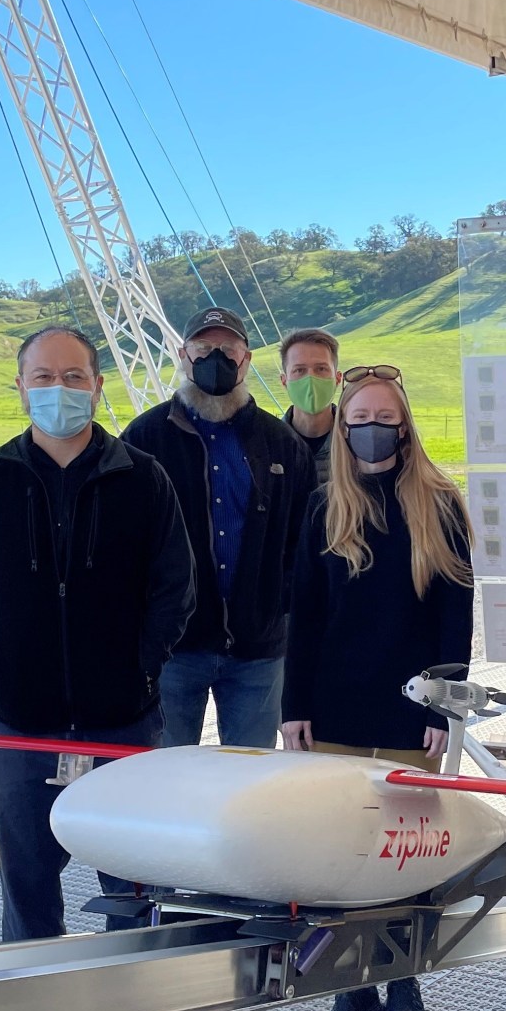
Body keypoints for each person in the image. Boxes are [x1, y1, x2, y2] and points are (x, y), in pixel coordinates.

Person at [0, 325, 195, 1011]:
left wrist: (136, 668)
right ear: (19, 387)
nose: (60, 388)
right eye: (43, 376)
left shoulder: (142, 479)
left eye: (74, 375)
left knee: (130, 881)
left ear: (98, 384)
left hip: (121, 721)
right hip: (22, 725)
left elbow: (172, 590)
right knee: (28, 880)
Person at [281, 364, 474, 1011]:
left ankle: (403, 985)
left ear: (404, 421)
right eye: (358, 416)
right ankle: (350, 991)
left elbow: (455, 615)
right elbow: (303, 616)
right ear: (343, 424)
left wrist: (443, 706)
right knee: (338, 855)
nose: (370, 427)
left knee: (398, 857)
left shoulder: (438, 503)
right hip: (332, 708)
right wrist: (293, 704)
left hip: (408, 709)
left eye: (383, 416)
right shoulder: (323, 505)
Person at [123, 306, 314, 749]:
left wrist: (277, 605)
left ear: (246, 360)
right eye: (204, 349)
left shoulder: (281, 443)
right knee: (165, 777)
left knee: (248, 786)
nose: (216, 360)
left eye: (228, 350)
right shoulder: (143, 440)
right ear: (182, 355)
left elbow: (300, 543)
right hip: (173, 651)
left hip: (258, 652)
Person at [279, 327, 341, 483]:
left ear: (338, 378)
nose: (310, 379)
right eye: (299, 370)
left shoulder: (357, 443)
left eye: (321, 369)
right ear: (284, 381)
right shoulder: (267, 445)